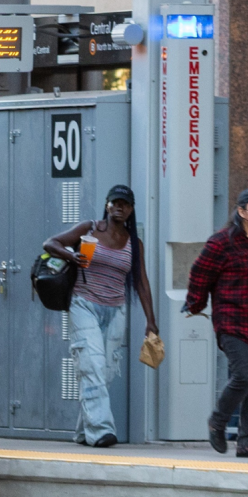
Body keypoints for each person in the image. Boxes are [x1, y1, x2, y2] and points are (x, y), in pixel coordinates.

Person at [44, 184, 157, 448]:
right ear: (107, 205)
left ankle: (84, 432)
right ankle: (101, 431)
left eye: (125, 204)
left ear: (131, 210)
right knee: (91, 365)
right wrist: (72, 256)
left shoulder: (134, 243)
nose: (119, 207)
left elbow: (141, 282)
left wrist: (151, 321)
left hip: (116, 310)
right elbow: (50, 243)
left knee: (103, 373)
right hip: (84, 305)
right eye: (115, 202)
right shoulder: (90, 229)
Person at [186, 188, 248, 458]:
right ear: (241, 211)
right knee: (244, 375)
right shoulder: (221, 242)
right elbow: (200, 274)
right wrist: (195, 303)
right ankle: (217, 421)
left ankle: (246, 443)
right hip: (234, 320)